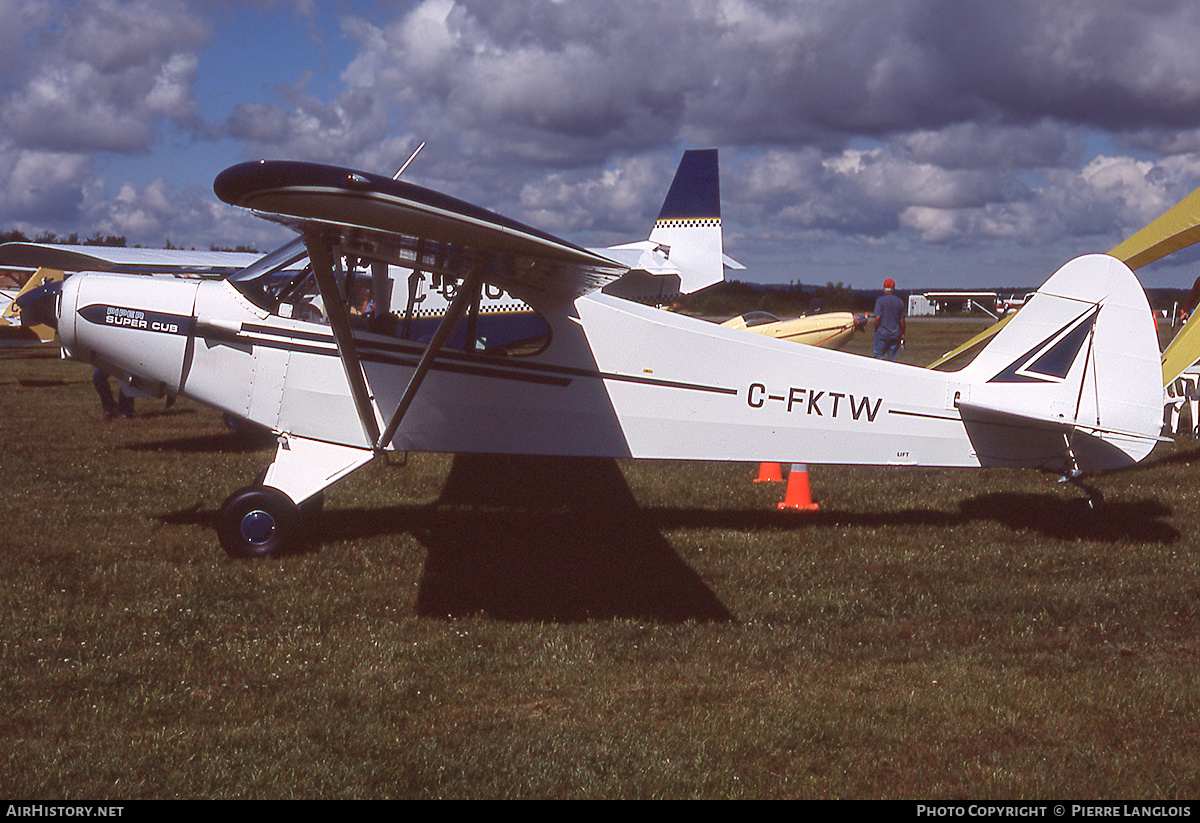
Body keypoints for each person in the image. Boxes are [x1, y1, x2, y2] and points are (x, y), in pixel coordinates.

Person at [872, 277, 906, 361]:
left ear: (884, 288)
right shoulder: (899, 302)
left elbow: (878, 317)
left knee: (878, 357)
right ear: (894, 288)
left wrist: (875, 329)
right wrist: (902, 334)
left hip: (882, 334)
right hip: (895, 334)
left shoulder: (880, 301)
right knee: (892, 360)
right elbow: (902, 321)